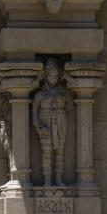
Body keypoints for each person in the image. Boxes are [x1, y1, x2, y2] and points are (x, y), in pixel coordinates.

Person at [32, 58, 68, 186]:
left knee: (60, 152)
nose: (54, 77)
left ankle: (59, 179)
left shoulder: (62, 92)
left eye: (56, 75)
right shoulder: (40, 94)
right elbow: (34, 113)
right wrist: (38, 127)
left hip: (60, 122)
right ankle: (47, 180)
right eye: (51, 75)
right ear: (46, 75)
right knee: (46, 152)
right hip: (45, 122)